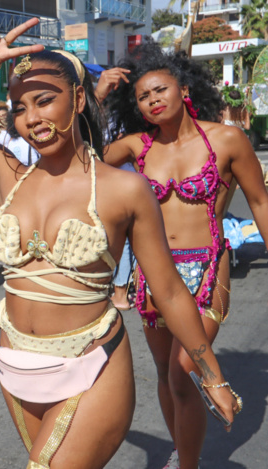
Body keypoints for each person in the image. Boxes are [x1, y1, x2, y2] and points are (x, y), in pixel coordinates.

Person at [0, 21, 238, 468]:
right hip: (13, 364)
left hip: (91, 365)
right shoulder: (6, 172)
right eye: (19, 107)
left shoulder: (123, 190)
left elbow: (166, 291)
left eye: (45, 100)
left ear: (80, 98)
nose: (31, 118)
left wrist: (213, 376)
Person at [102, 42, 263, 469]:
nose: (153, 100)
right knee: (164, 373)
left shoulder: (227, 138)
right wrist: (97, 97)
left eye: (160, 90)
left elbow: (260, 202)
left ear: (183, 88)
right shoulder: (137, 147)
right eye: (143, 96)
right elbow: (86, 165)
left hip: (208, 269)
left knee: (182, 370)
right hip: (153, 274)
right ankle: (182, 450)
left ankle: (186, 465)